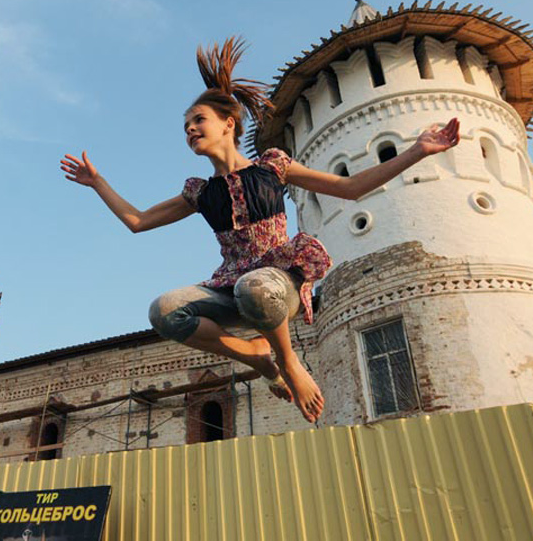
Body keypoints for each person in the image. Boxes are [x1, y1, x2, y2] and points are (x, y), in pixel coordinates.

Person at [61, 37, 459, 423]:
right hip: (229, 285)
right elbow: (138, 222)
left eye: (198, 121)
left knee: (254, 286)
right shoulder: (199, 192)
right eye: (185, 127)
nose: (190, 131)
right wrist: (98, 183)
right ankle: (257, 357)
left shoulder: (272, 167)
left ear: (228, 124)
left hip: (276, 280)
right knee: (164, 311)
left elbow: (350, 188)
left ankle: (288, 362)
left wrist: (417, 151)